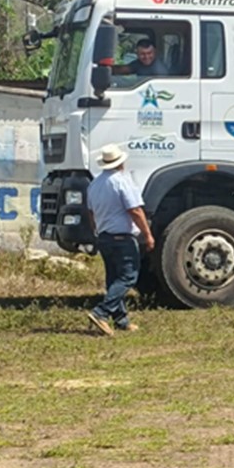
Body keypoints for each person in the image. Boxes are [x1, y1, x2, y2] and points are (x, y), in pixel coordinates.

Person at [86, 143, 156, 336]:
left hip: (105, 237)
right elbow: (135, 210)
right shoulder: (122, 182)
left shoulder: (94, 184)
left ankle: (121, 320)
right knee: (128, 276)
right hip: (122, 238)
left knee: (113, 278)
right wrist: (148, 235)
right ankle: (101, 312)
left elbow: (91, 213)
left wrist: (97, 230)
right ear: (121, 163)